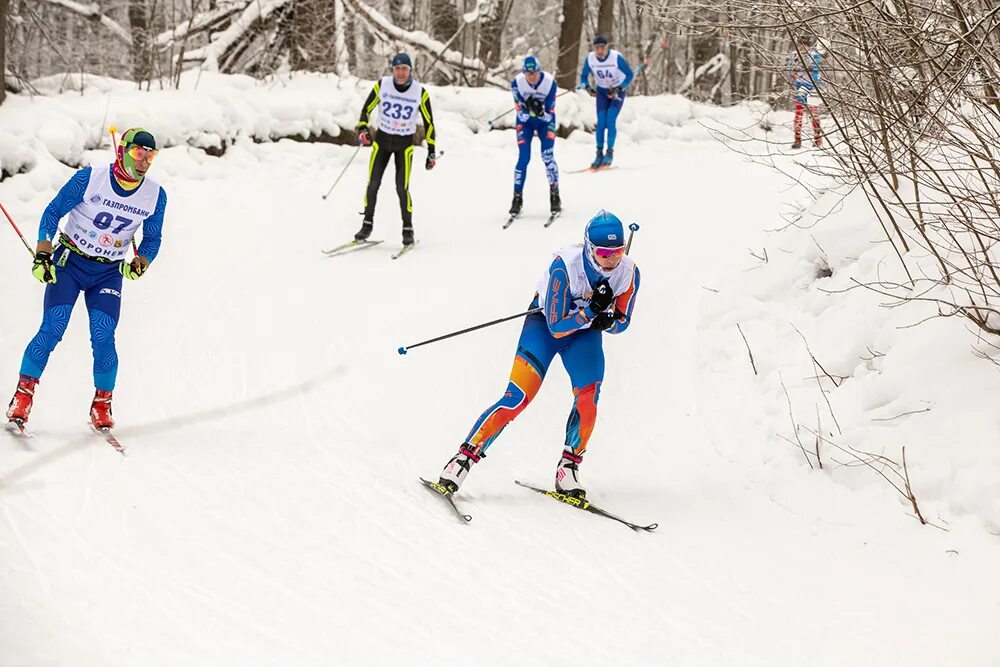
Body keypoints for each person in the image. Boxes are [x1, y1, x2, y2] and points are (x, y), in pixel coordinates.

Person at [437, 210, 641, 497]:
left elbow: (623, 322)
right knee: (517, 398)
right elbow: (557, 327)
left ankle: (568, 467)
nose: (612, 259)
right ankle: (463, 459)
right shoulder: (565, 267)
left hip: (583, 335)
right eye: (604, 252)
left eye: (617, 251)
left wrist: (608, 321)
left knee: (588, 398)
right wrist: (593, 310)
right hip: (544, 329)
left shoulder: (628, 273)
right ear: (589, 248)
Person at [6, 127, 166, 430]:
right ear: (123, 151)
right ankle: (23, 396)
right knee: (53, 327)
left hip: (108, 272)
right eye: (138, 152)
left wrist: (141, 261)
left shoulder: (154, 195)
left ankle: (102, 404)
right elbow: (52, 213)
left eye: (150, 155)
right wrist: (42, 253)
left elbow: (153, 238)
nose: (144, 160)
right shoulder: (90, 178)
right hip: (70, 262)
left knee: (104, 335)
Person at [354, 52, 437, 246]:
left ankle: (407, 227)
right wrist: (363, 128)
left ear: (410, 71)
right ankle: (367, 223)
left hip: (404, 145)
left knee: (402, 187)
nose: (400, 73)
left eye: (404, 69)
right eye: (397, 69)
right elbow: (366, 109)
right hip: (382, 141)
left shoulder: (420, 92)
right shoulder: (383, 85)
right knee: (373, 183)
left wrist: (431, 151)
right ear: (392, 70)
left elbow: (429, 123)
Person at [509, 55, 560, 218]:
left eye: (534, 73)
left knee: (547, 156)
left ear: (539, 71)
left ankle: (554, 193)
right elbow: (520, 112)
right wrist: (528, 109)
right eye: (528, 73)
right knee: (523, 158)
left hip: (545, 123)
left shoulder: (550, 83)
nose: (531, 77)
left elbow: (549, 113)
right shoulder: (517, 83)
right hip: (526, 123)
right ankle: (517, 197)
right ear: (524, 73)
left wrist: (540, 110)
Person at [579, 35, 634, 169]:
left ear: (607, 47)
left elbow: (629, 74)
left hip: (617, 91)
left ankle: (609, 153)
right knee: (601, 123)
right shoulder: (591, 58)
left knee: (610, 120)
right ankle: (599, 154)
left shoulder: (615, 57)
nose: (600, 51)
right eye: (597, 48)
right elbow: (583, 76)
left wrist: (620, 88)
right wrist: (587, 87)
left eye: (602, 47)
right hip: (602, 92)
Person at [786, 34, 822, 149]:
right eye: (799, 45)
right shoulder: (794, 55)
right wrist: (793, 71)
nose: (801, 47)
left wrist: (811, 70)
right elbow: (788, 70)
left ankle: (818, 139)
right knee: (799, 113)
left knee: (813, 113)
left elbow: (817, 72)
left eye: (803, 45)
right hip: (799, 86)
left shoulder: (814, 55)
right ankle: (797, 140)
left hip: (812, 87)